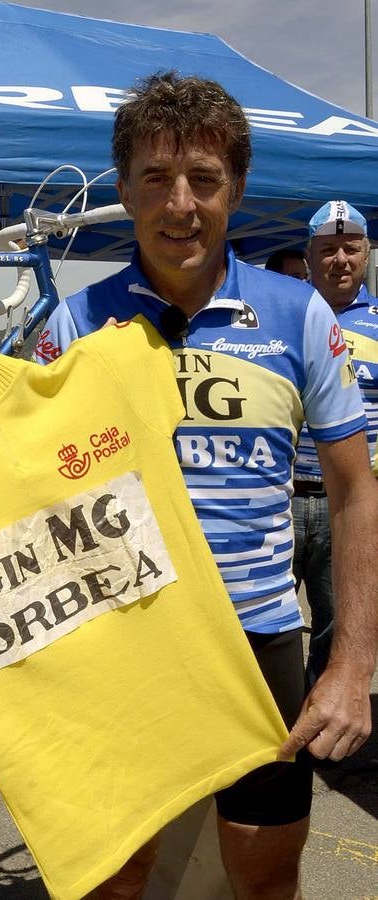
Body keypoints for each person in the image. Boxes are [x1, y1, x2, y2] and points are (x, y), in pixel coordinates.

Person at [38, 71, 378, 899]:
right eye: (156, 179)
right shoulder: (71, 327)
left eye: (203, 180)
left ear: (237, 190)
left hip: (256, 646)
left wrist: (350, 666)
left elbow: (355, 493)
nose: (180, 203)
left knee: (265, 882)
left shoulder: (301, 314)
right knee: (115, 883)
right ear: (124, 190)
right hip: (122, 647)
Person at [294, 201, 378, 684]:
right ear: (310, 255)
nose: (340, 259)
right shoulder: (285, 317)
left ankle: (318, 731)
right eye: (328, 249)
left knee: (338, 628)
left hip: (345, 503)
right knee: (267, 624)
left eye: (351, 248)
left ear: (366, 254)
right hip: (280, 498)